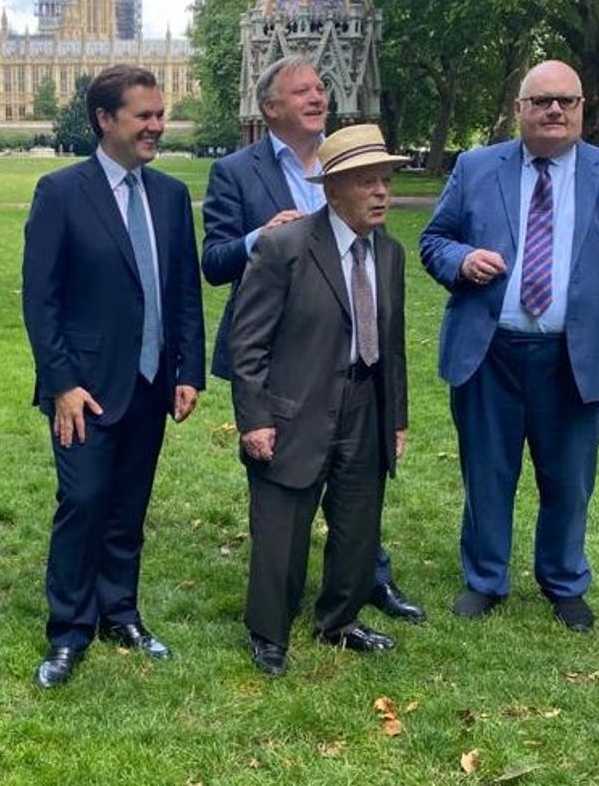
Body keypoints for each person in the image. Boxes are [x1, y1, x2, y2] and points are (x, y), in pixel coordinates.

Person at [419, 60, 599, 632]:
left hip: (574, 359)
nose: (556, 110)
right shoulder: (477, 168)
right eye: (544, 100)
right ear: (520, 109)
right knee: (487, 473)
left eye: (568, 101)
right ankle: (485, 580)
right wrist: (462, 260)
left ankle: (564, 581)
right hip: (490, 352)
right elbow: (434, 240)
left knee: (569, 479)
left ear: (582, 108)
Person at [202, 55, 425, 626]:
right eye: (301, 89)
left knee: (358, 497)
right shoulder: (239, 174)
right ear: (270, 107)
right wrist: (261, 235)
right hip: (289, 368)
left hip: (356, 369)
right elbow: (215, 262)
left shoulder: (377, 223)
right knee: (287, 498)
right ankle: (272, 620)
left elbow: (388, 333)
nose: (316, 95)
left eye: (322, 86)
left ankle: (355, 597)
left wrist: (394, 414)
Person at [22, 64, 205, 688]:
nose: (158, 126)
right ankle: (69, 631)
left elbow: (183, 291)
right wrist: (61, 383)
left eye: (160, 115)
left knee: (128, 507)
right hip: (85, 390)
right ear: (105, 119)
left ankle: (120, 614)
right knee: (84, 502)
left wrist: (189, 370)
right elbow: (40, 300)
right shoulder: (61, 193)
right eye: (145, 116)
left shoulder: (172, 196)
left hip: (153, 384)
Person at [229, 124, 411, 675]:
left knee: (359, 522)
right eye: (366, 182)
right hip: (294, 409)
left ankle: (340, 621)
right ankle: (269, 633)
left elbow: (395, 344)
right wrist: (255, 418)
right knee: (282, 526)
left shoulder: (392, 253)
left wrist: (396, 420)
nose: (381, 192)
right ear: (332, 190)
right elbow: (248, 340)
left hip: (366, 404)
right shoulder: (284, 247)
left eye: (385, 180)